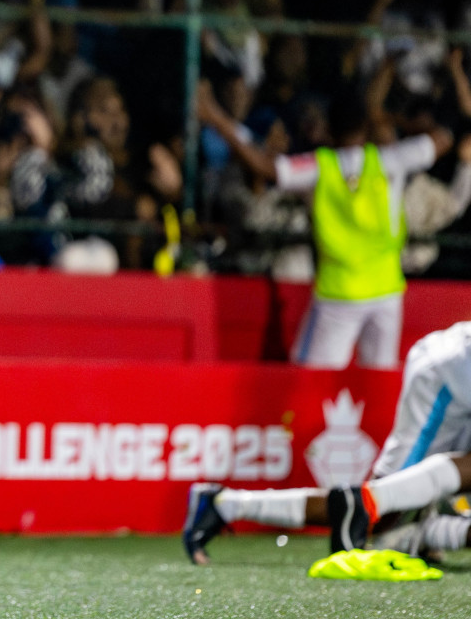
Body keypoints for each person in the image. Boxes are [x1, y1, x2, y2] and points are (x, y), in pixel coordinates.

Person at [199, 83, 450, 369]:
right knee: (380, 386)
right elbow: (442, 139)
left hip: (338, 295)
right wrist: (387, 118)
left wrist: (217, 118)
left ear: (329, 129)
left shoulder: (320, 167)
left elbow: (266, 168)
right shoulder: (389, 161)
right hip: (386, 291)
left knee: (309, 384)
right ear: (366, 126)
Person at [183, 322, 471, 565]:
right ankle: (225, 505)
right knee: (377, 513)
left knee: (394, 514)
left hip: (453, 358)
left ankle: (420, 532)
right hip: (450, 373)